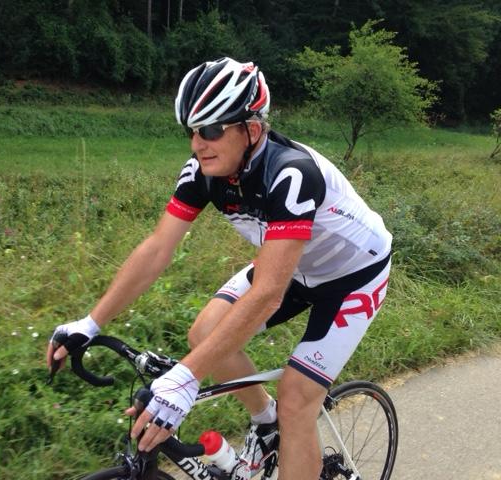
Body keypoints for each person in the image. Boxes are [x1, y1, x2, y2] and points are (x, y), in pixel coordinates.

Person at [47, 57, 392, 480]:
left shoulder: (291, 174)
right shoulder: (204, 172)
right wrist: (91, 322)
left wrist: (186, 378)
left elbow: (268, 293)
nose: (198, 144)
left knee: (297, 398)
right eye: (192, 131)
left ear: (252, 130)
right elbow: (157, 248)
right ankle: (266, 422)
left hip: (353, 276)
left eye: (211, 130)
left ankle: (284, 420)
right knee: (204, 334)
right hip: (293, 265)